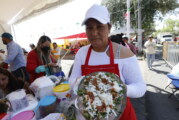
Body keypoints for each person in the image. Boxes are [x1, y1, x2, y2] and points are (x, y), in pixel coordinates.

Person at [69, 4, 146, 120]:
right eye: (89, 28)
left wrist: (118, 87)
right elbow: (71, 81)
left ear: (109, 28)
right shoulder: (81, 53)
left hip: (121, 115)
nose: (94, 33)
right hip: (91, 114)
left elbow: (140, 87)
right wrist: (83, 82)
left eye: (99, 27)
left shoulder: (124, 53)